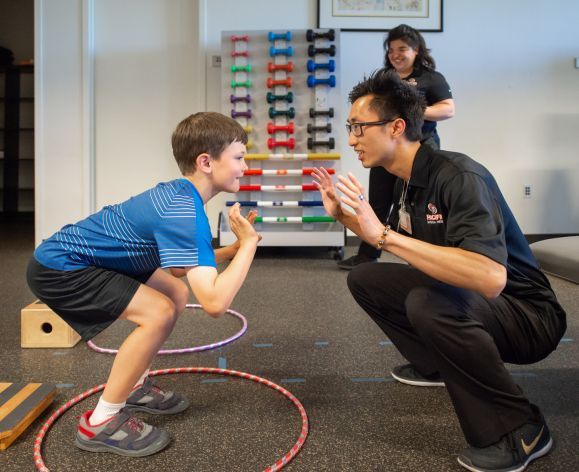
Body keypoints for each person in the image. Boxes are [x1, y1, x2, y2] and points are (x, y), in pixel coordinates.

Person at [313, 70, 566, 472]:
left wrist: (383, 238)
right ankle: (435, 364)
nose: (351, 139)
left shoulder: (459, 176)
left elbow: (490, 277)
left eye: (359, 127)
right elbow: (397, 240)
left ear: (397, 127)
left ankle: (522, 428)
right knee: (366, 279)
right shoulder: (407, 181)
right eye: (350, 128)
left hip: (528, 315)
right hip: (478, 300)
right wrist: (344, 216)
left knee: (429, 303)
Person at [27, 112, 260, 457]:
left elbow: (181, 270)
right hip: (62, 266)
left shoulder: (182, 197)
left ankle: (133, 386)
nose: (245, 166)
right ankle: (100, 422)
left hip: (94, 259)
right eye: (239, 157)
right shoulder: (184, 211)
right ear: (206, 162)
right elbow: (214, 304)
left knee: (174, 293)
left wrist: (234, 250)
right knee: (158, 313)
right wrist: (250, 244)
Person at [338, 24, 454, 270]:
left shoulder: (431, 78)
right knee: (378, 202)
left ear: (416, 49)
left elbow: (448, 108)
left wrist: (411, 110)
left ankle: (428, 259)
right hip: (385, 147)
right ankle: (367, 255)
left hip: (420, 147)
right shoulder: (386, 78)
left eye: (402, 49)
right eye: (391, 50)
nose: (395, 54)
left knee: (421, 204)